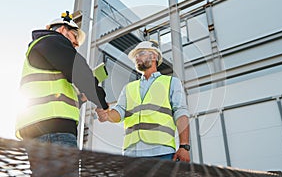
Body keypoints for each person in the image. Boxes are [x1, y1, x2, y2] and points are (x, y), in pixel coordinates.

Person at [15, 11, 109, 148]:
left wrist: (81, 98)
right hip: (54, 128)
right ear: (62, 29)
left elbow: (54, 95)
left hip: (36, 128)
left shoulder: (42, 50)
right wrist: (102, 104)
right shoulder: (52, 40)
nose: (76, 43)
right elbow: (80, 72)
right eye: (74, 36)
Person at [96, 40, 190, 162]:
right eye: (136, 56)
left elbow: (181, 113)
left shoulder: (171, 82)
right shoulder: (129, 87)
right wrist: (107, 115)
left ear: (155, 56)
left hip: (161, 151)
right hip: (131, 153)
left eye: (141, 54)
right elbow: (119, 112)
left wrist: (184, 146)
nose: (137, 58)